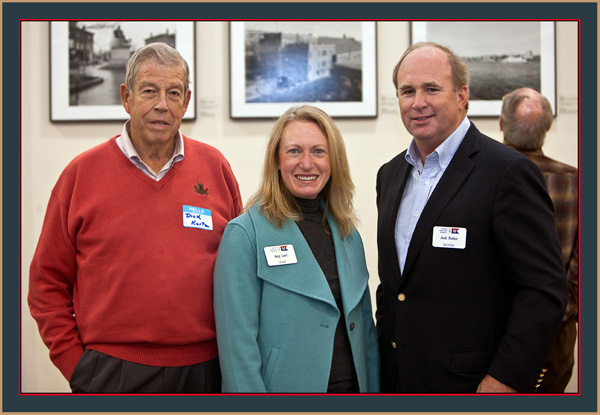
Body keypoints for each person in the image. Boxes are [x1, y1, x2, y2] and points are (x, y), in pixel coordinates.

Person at [28, 42, 242, 393]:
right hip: (112, 372)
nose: (162, 104)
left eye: (173, 93)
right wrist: (77, 367)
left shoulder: (215, 168)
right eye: (149, 91)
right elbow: (45, 283)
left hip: (206, 371)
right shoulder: (81, 175)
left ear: (186, 102)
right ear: (126, 97)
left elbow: (240, 273)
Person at [375, 42, 568, 393]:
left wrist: (506, 379)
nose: (418, 102)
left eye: (431, 89)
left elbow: (543, 291)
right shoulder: (389, 175)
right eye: (407, 91)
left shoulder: (507, 172)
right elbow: (394, 286)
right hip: (398, 383)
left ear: (462, 96)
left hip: (473, 387)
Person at [213, 105, 380, 393]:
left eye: (318, 151)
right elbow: (237, 349)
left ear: (333, 161)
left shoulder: (348, 233)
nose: (306, 163)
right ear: (276, 161)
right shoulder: (244, 235)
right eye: (294, 151)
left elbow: (365, 331)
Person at [500, 87, 578, 392]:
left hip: (499, 330)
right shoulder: (575, 181)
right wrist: (562, 310)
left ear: (501, 124)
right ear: (546, 129)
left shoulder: (487, 176)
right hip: (557, 333)